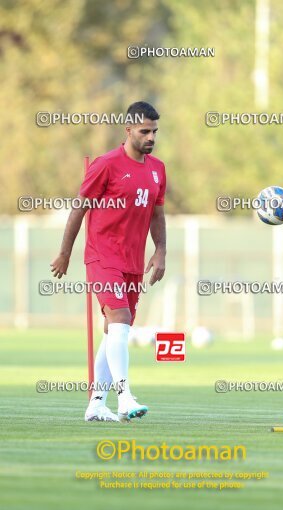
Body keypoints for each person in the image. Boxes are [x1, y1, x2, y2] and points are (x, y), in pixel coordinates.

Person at [50, 101, 166, 423]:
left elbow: (157, 213)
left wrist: (160, 251)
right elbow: (79, 207)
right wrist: (65, 252)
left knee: (117, 329)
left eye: (155, 131)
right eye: (145, 131)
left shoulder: (158, 169)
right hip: (102, 256)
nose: (151, 137)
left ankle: (96, 403)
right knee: (120, 317)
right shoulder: (105, 165)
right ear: (127, 130)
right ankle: (125, 397)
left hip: (132, 261)